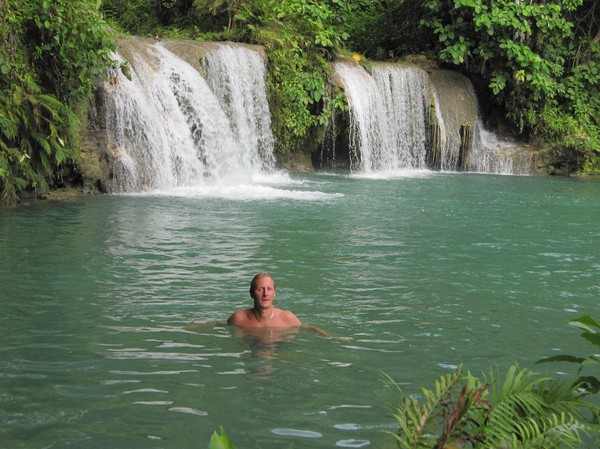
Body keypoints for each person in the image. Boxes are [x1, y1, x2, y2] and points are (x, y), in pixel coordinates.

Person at [227, 272, 301, 328]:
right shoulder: (238, 319)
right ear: (252, 293)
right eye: (260, 289)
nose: (265, 294)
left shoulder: (287, 318)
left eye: (269, 289)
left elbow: (305, 328)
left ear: (274, 293)